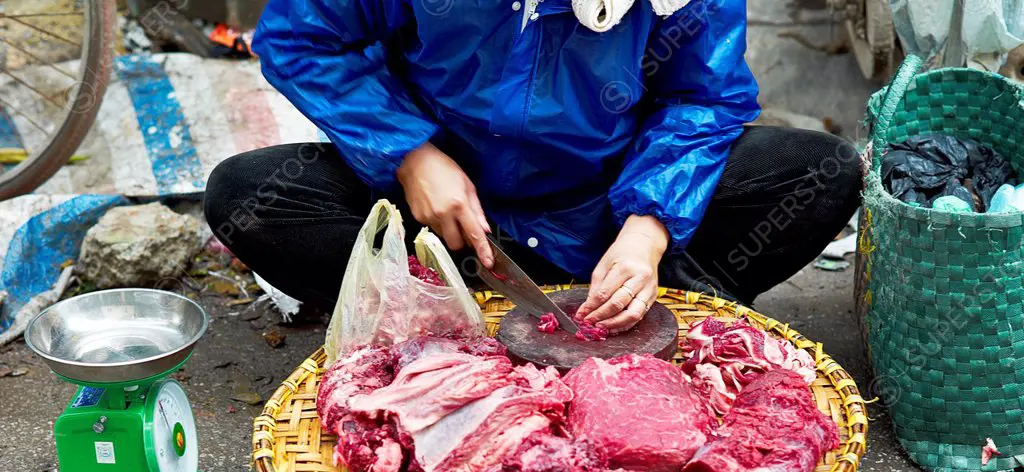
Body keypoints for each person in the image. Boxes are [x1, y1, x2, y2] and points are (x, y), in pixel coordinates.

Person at [204, 0, 861, 333]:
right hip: (447, 220)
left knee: (821, 171)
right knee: (248, 195)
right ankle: (471, 309)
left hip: (605, 207)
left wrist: (647, 228)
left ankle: (634, 295)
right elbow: (299, 37)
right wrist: (409, 154)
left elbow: (703, 98)